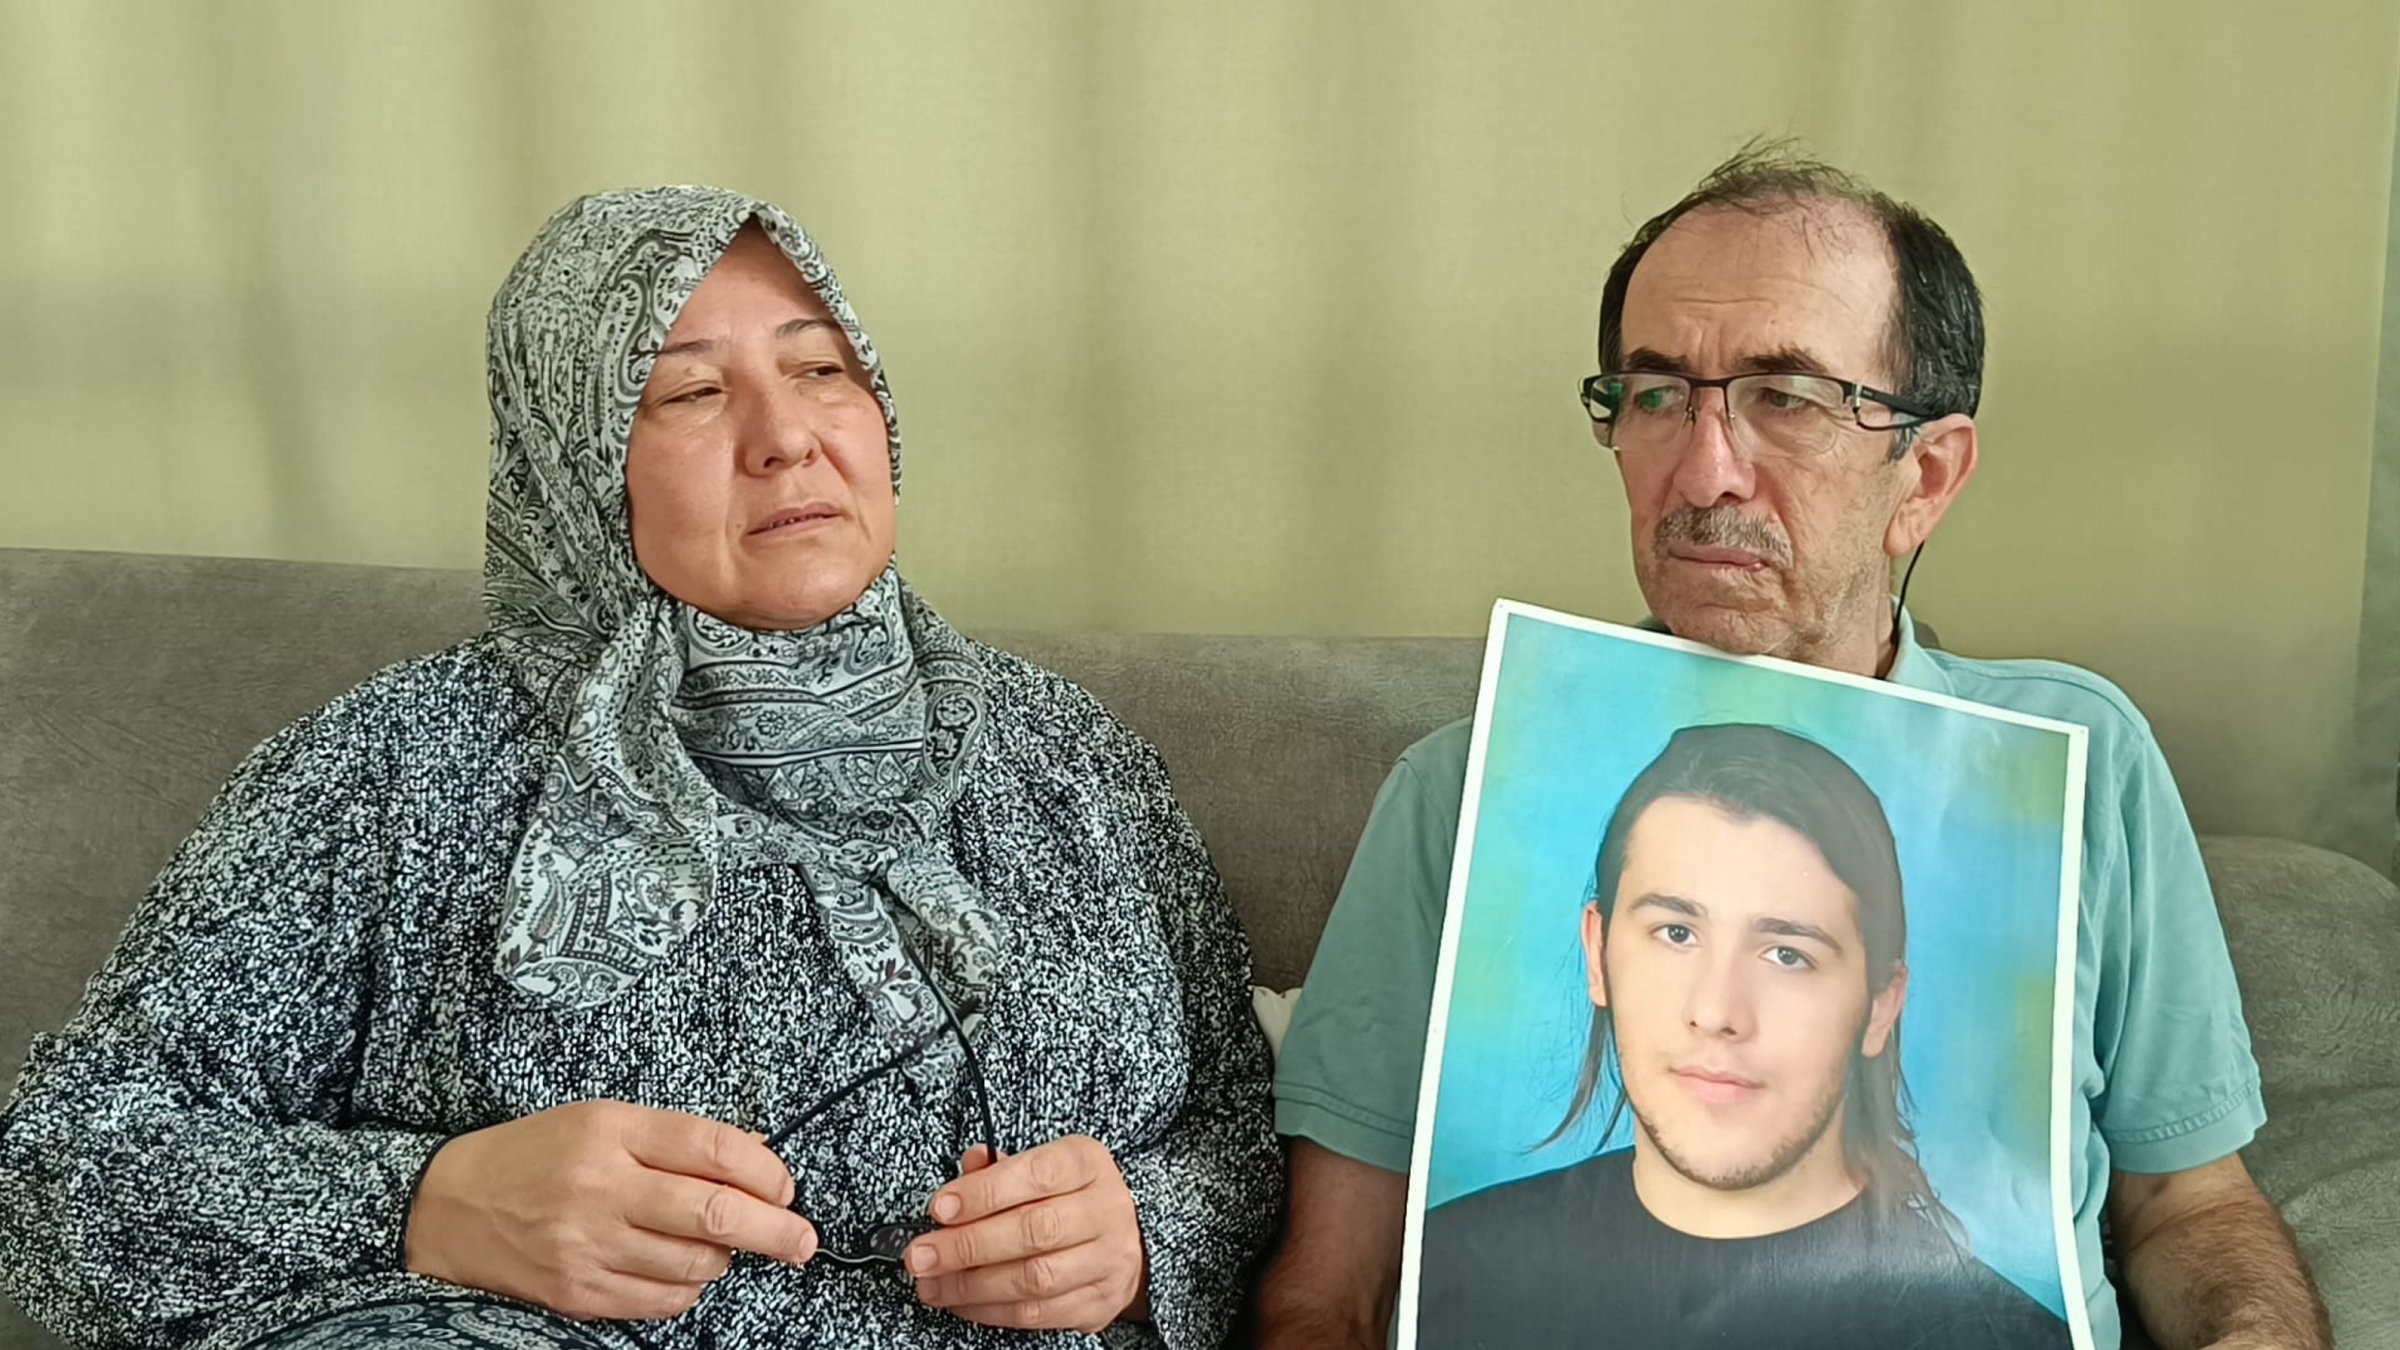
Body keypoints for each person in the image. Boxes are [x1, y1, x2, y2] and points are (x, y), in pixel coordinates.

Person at [0, 188, 1279, 1350]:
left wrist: (1143, 1240)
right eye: (689, 392)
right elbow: (57, 1168)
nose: (786, 439)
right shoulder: (392, 770)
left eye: (823, 370)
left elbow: (1248, 1126)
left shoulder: (1072, 758)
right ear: (573, 462)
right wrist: (424, 1206)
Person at [1257, 144, 2331, 1350]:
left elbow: (2190, 1203)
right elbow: (1326, 1290)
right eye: (1658, 395)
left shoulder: (2081, 755)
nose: (1705, 470)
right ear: (1597, 952)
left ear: (1924, 476)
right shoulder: (1458, 787)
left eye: (1790, 399)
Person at [1417, 722, 2066, 1348]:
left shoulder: (1999, 1335)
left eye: (1787, 953)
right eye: (1677, 933)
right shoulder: (1447, 1267)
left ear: (1879, 1006)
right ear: (1598, 955)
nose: (1718, 1011)